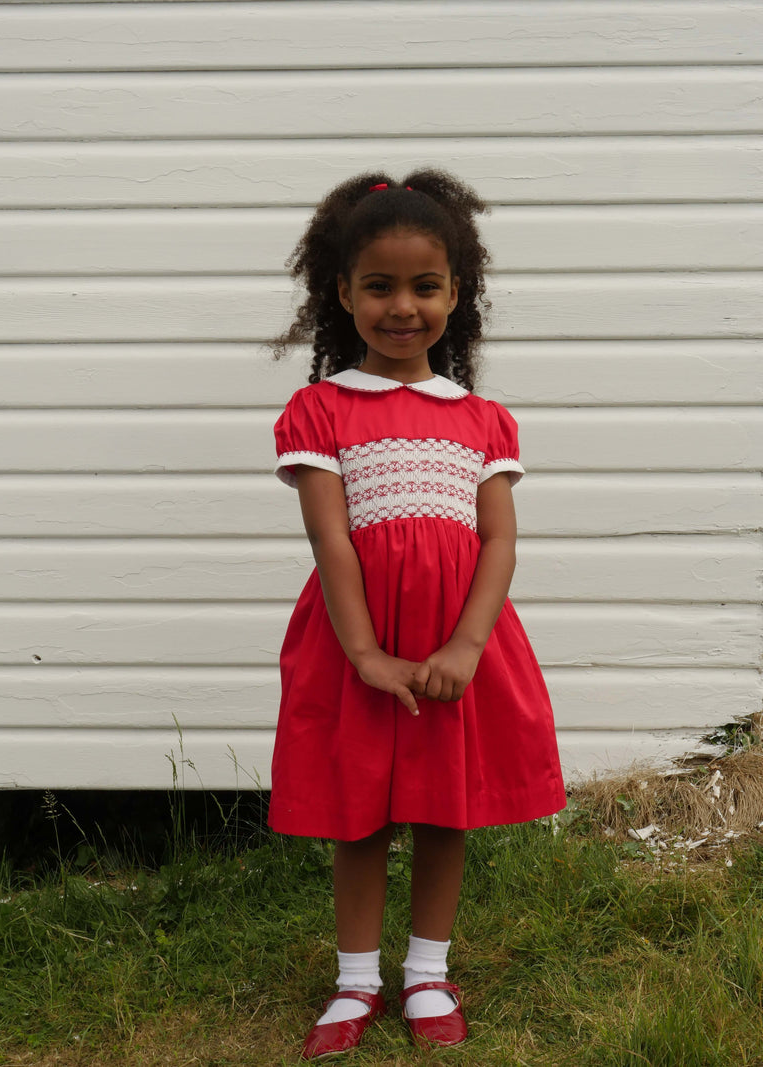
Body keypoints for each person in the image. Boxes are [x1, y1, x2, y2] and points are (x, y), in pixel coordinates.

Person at [268, 170, 566, 1059]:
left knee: (444, 808)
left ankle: (428, 971)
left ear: (456, 293)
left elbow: (499, 542)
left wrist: (468, 642)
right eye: (380, 286)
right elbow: (332, 540)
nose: (403, 306)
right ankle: (356, 980)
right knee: (358, 811)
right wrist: (364, 651)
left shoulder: (482, 420)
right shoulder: (319, 409)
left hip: (457, 646)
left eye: (424, 286)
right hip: (356, 642)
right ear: (343, 292)